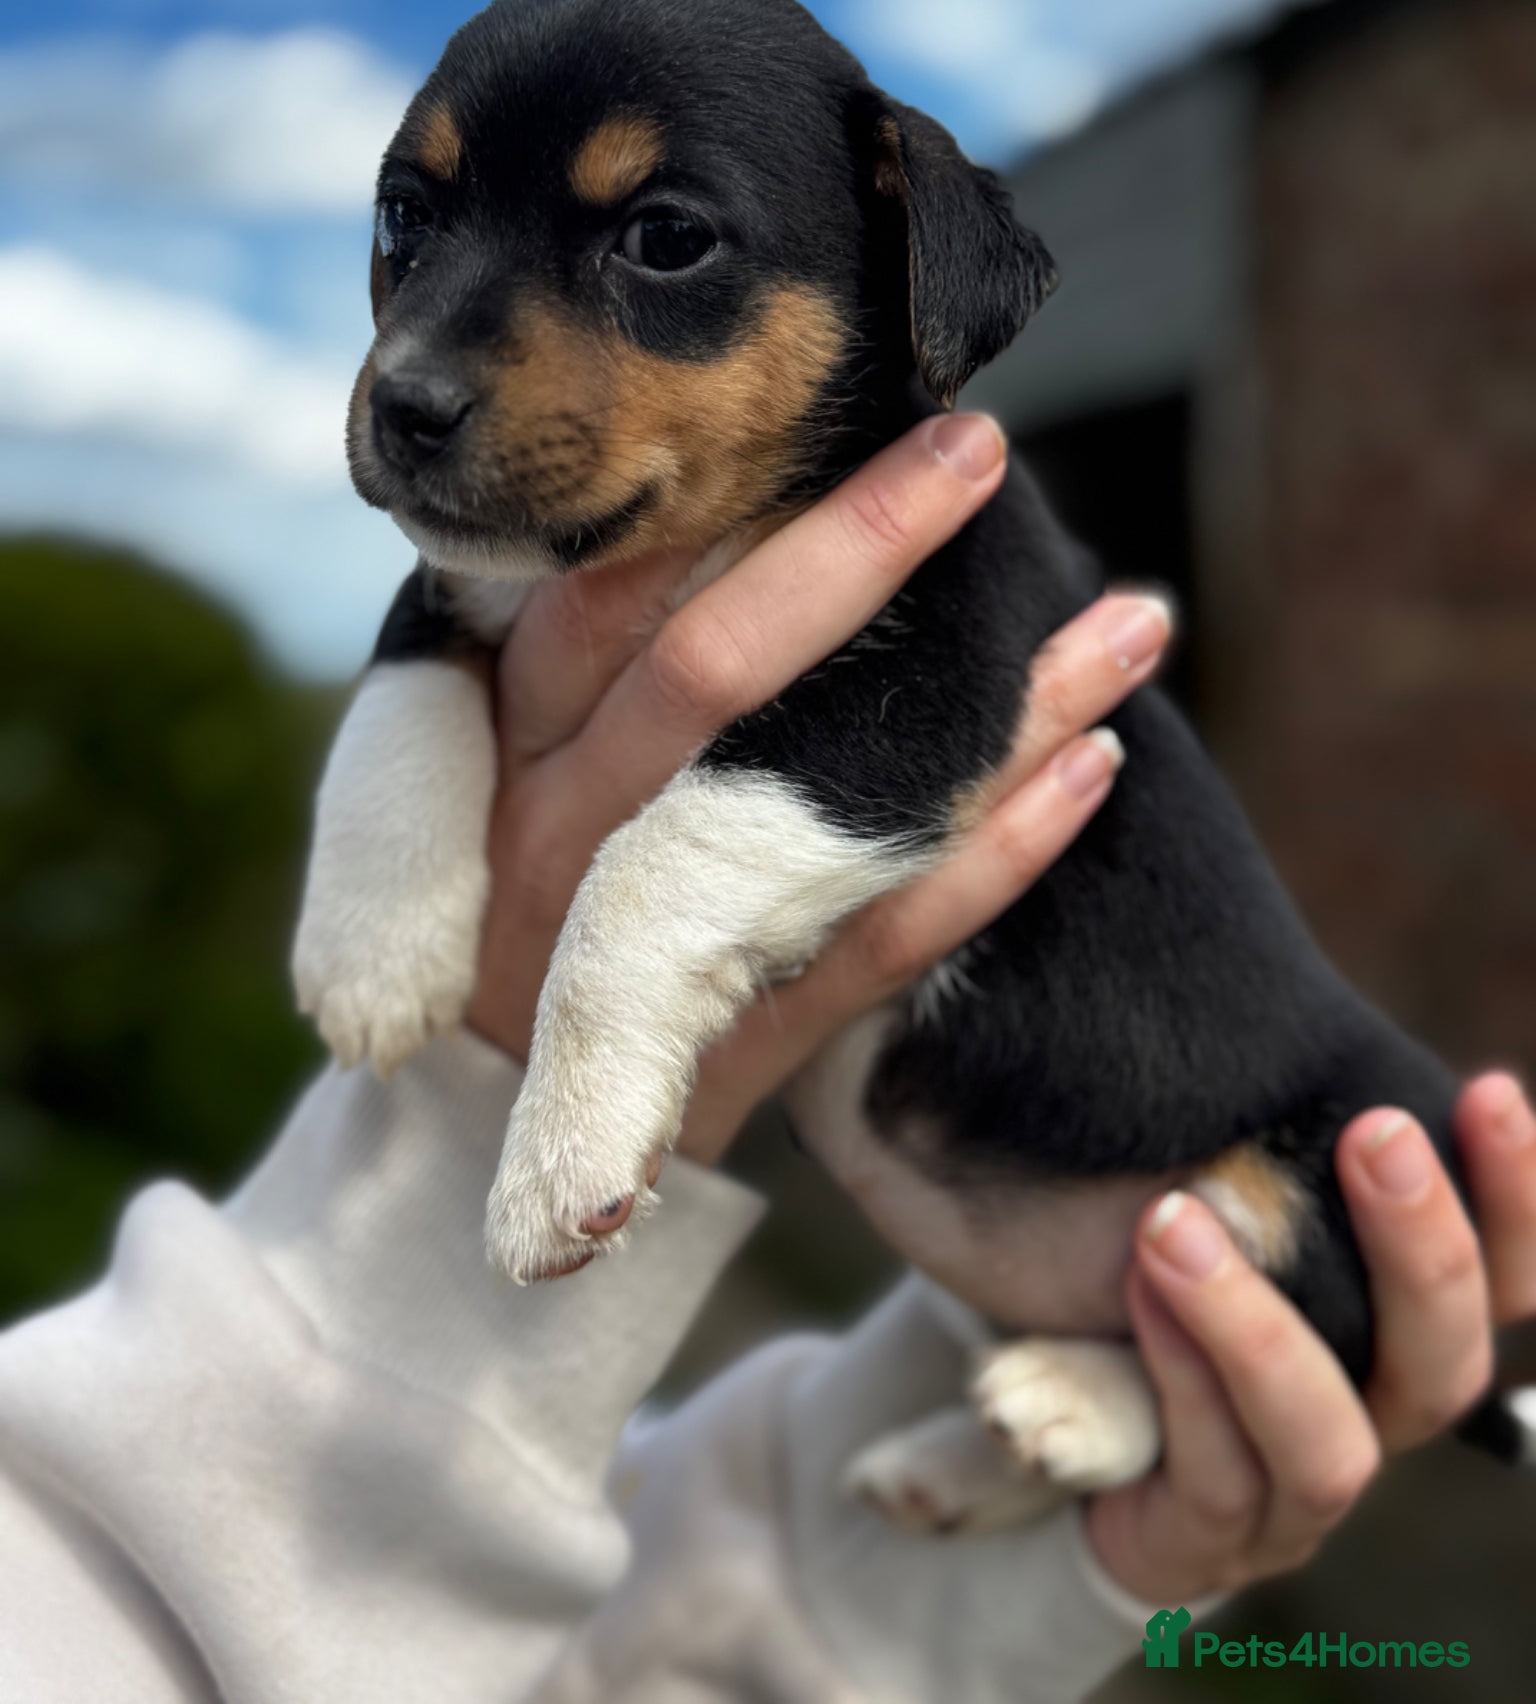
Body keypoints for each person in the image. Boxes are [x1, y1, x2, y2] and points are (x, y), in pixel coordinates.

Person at [1, 413, 1531, 1704]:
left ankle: (1128, 1397)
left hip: (1239, 1128)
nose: (426, 366)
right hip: (981, 1205)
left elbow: (910, 735)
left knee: (1357, 1194)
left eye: (667, 242)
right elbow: (433, 635)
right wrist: (420, 924)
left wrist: (596, 990)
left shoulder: (926, 539)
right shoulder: (559, 511)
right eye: (415, 224)